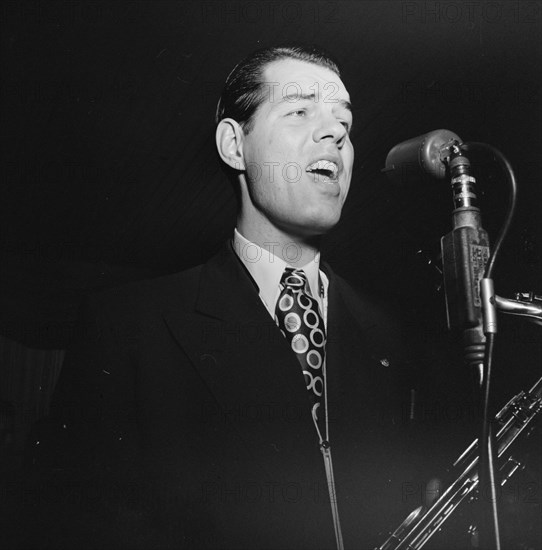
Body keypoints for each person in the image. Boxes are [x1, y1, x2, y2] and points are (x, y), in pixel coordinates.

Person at [16, 45, 419, 550]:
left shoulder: (386, 332)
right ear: (234, 145)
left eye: (345, 121)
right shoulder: (126, 324)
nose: (336, 132)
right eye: (299, 111)